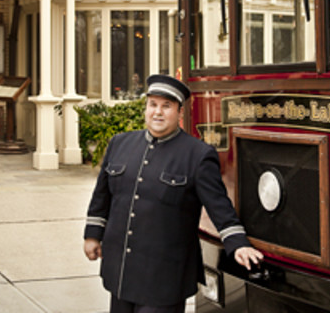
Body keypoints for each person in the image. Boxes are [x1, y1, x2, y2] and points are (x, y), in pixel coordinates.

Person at [84, 74, 264, 313]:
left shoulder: (198, 155)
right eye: (153, 105)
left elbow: (218, 204)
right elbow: (102, 196)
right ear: (146, 108)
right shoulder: (120, 143)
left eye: (166, 106)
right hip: (122, 270)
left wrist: (238, 243)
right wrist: (93, 235)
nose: (157, 112)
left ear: (180, 113)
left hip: (164, 278)